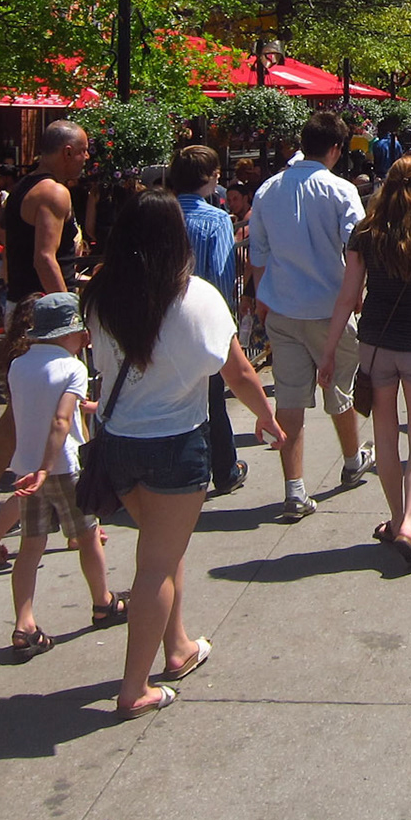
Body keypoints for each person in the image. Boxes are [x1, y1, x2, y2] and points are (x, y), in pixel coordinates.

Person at [84, 190, 285, 718]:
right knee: (155, 564)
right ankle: (134, 688)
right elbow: (237, 372)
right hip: (175, 441)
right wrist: (266, 416)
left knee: (161, 550)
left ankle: (177, 646)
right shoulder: (194, 297)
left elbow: (103, 363)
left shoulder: (102, 294)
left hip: (119, 441)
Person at [318, 155, 411, 570]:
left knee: (385, 437)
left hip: (376, 343)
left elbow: (347, 296)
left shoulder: (366, 232)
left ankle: (396, 518)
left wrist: (328, 352)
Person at [0, 120, 90, 540]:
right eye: (84, 151)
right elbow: (45, 258)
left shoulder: (23, 190)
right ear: (67, 151)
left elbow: (6, 238)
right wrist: (70, 313)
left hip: (25, 309)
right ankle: (73, 505)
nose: (87, 159)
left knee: (19, 415)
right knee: (61, 406)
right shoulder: (53, 191)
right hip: (43, 318)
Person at [248, 111, 373, 521]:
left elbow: (258, 254)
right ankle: (353, 460)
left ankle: (294, 489)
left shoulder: (268, 190)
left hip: (282, 305)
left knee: (289, 398)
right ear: (336, 148)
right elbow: (357, 247)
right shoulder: (340, 191)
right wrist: (357, 294)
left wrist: (260, 299)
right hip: (328, 307)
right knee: (339, 388)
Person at [1, 292, 125, 659]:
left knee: (30, 545)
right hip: (62, 466)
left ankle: (24, 623)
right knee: (88, 536)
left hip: (25, 469)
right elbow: (59, 419)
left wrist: (34, 467)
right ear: (67, 334)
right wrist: (46, 465)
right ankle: (103, 601)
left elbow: (37, 408)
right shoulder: (73, 368)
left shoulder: (18, 366)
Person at [169, 145, 247, 496]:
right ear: (211, 177)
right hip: (201, 319)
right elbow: (221, 275)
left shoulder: (161, 214)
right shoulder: (215, 220)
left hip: (161, 317)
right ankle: (224, 467)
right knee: (212, 396)